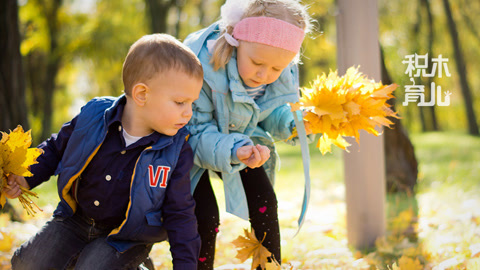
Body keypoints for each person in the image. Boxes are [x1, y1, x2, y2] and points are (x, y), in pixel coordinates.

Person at [4, 33, 204, 270]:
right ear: (142, 94)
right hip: (74, 221)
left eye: (192, 103)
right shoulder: (94, 116)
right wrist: (25, 176)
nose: (188, 112)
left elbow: (180, 214)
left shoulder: (176, 150)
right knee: (28, 263)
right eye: (180, 102)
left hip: (126, 238)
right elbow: (56, 148)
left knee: (93, 268)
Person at [183, 0, 313, 268]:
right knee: (203, 216)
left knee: (264, 199)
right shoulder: (202, 68)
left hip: (239, 140)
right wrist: (233, 149)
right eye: (257, 63)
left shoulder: (273, 75)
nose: (265, 74)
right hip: (188, 146)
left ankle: (268, 265)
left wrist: (293, 125)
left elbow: (268, 111)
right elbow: (195, 130)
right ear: (237, 41)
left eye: (277, 69)